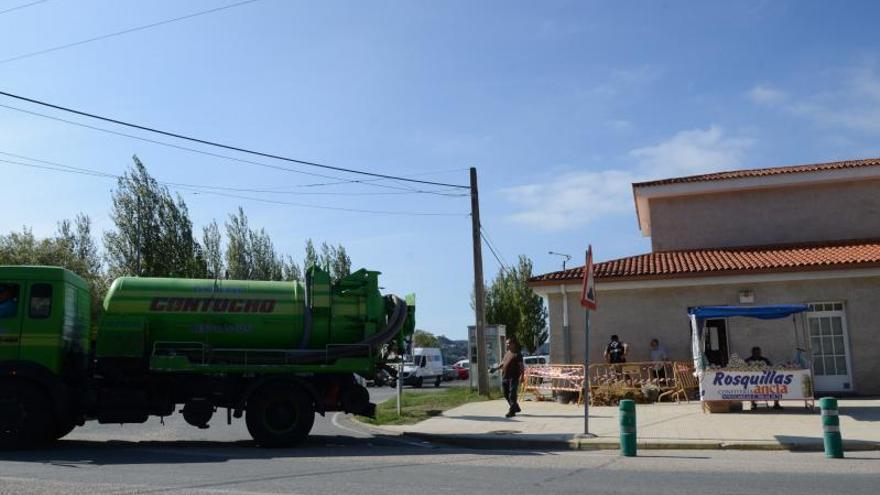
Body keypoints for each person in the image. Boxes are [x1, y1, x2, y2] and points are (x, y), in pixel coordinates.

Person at [491, 337, 525, 418]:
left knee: (512, 395)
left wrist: (522, 376)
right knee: (506, 394)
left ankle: (512, 411)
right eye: (507, 343)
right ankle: (515, 407)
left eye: (509, 343)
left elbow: (521, 366)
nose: (507, 345)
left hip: (514, 377)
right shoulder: (507, 353)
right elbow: (503, 363)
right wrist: (495, 369)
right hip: (505, 376)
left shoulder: (518, 354)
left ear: (514, 344)